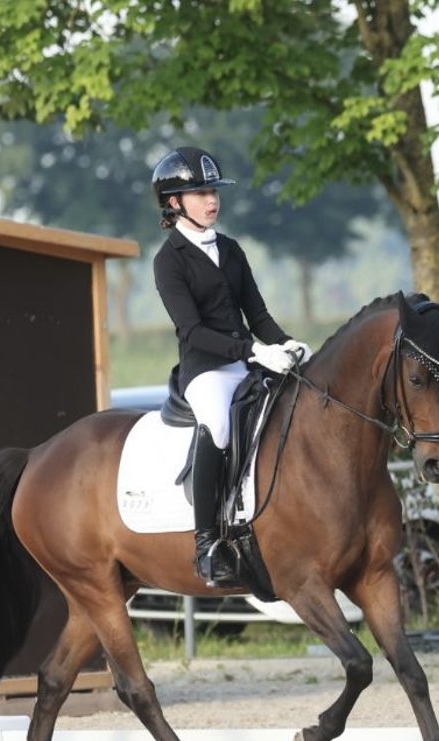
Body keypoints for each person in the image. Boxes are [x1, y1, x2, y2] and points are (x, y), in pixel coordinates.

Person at [150, 146, 312, 586]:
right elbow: (192, 331)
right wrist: (253, 352)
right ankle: (207, 544)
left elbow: (256, 316)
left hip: (247, 360)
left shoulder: (232, 249)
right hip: (205, 370)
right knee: (219, 426)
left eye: (214, 191)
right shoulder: (169, 260)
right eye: (200, 192)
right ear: (174, 202)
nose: (211, 200)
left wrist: (289, 344)